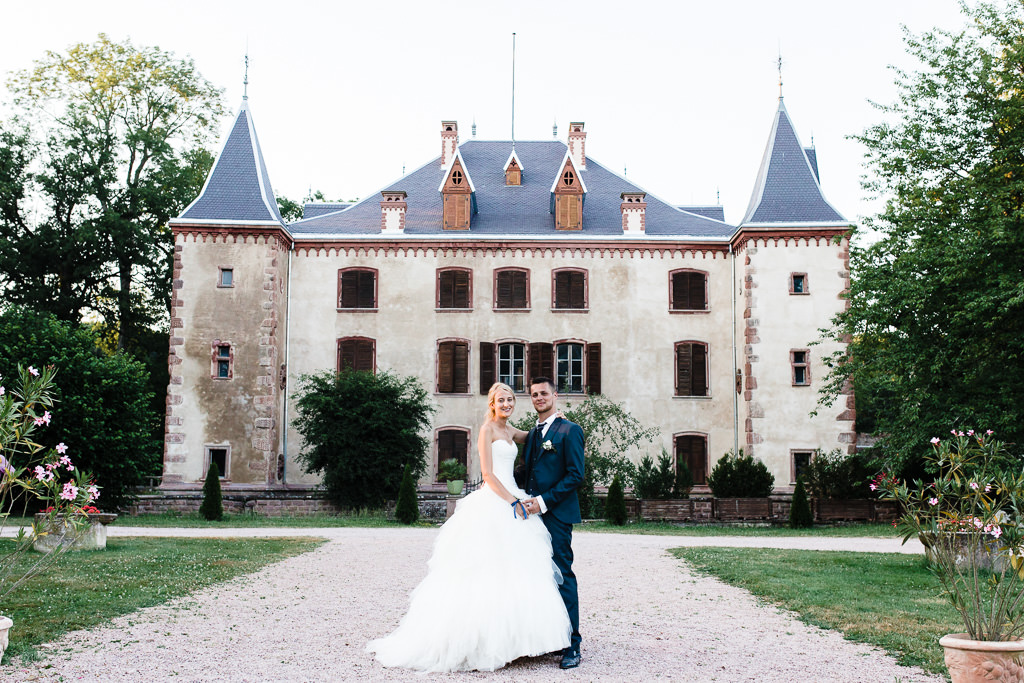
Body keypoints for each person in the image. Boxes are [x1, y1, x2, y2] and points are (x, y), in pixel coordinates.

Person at [366, 383, 571, 673]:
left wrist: (555, 419)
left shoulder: (511, 431)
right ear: (492, 403)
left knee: (517, 570)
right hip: (497, 499)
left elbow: (537, 435)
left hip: (515, 498)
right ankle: (484, 641)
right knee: (485, 571)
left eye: (511, 399)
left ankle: (514, 641)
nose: (507, 404)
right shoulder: (487, 430)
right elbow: (487, 473)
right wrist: (513, 501)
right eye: (502, 400)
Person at [521, 376, 585, 669]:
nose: (539, 398)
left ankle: (573, 644)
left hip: (557, 514)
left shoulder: (570, 431)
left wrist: (544, 502)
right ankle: (552, 638)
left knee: (562, 573)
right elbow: (528, 472)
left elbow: (575, 476)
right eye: (534, 394)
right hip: (531, 516)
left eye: (543, 393)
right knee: (537, 574)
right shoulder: (535, 435)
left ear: (555, 395)